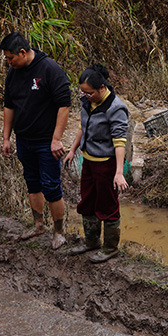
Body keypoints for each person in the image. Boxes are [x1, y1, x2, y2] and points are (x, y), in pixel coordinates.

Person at [0, 32, 71, 249]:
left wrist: (56, 139)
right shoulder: (13, 73)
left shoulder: (50, 69)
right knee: (32, 183)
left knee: (51, 186)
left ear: (22, 52)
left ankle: (59, 232)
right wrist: (6, 137)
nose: (9, 62)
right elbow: (9, 106)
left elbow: (64, 105)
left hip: (46, 142)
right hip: (24, 139)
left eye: (11, 58)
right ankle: (38, 225)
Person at [62, 64, 129, 263]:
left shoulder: (116, 108)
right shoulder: (87, 103)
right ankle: (91, 241)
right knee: (88, 200)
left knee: (108, 205)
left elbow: (119, 142)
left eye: (89, 93)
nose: (86, 96)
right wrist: (73, 150)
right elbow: (82, 127)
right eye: (83, 92)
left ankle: (110, 248)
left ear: (102, 88)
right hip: (88, 161)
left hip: (106, 165)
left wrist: (118, 172)